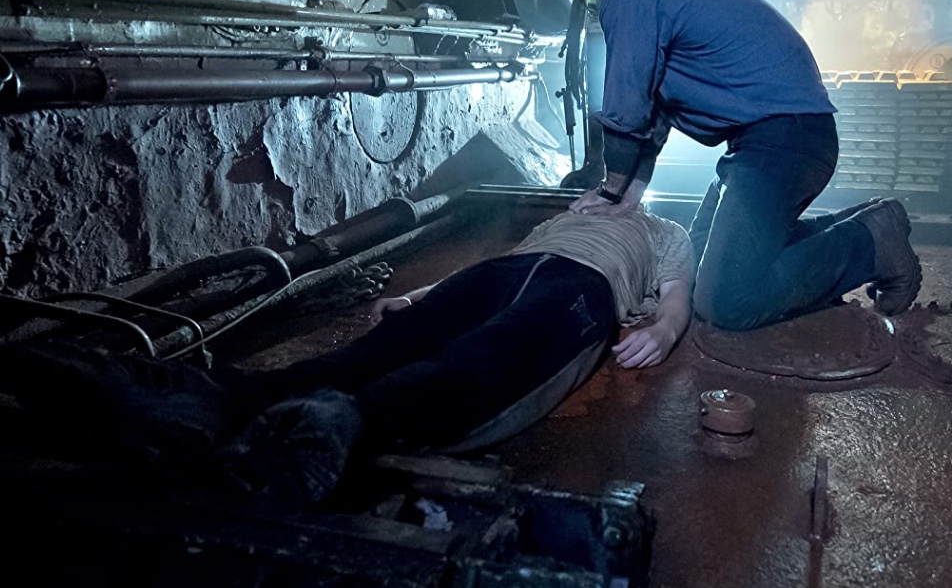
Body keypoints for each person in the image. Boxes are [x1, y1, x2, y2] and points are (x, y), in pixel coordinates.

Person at [1, 209, 694, 508]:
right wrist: (419, 295)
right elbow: (495, 264)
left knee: (490, 354)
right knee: (379, 346)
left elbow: (674, 296)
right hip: (506, 270)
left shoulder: (665, 230)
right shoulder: (564, 214)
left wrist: (662, 331)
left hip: (583, 290)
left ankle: (347, 423)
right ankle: (201, 397)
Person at [560, 0, 921, 331]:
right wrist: (631, 194)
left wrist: (610, 189)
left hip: (783, 138)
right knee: (695, 262)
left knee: (726, 299)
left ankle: (871, 245)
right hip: (776, 137)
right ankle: (868, 222)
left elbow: (627, 105)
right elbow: (653, 110)